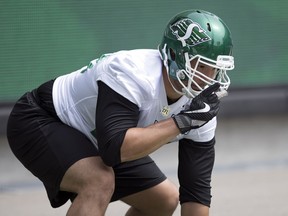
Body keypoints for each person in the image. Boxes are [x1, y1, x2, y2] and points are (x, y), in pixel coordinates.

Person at [6, 9, 234, 216]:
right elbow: (114, 149)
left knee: (164, 200)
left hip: (99, 134)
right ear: (174, 56)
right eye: (201, 65)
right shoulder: (133, 73)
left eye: (215, 68)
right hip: (42, 118)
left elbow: (196, 192)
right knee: (98, 181)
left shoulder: (201, 109)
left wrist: (185, 121)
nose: (208, 76)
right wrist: (181, 122)